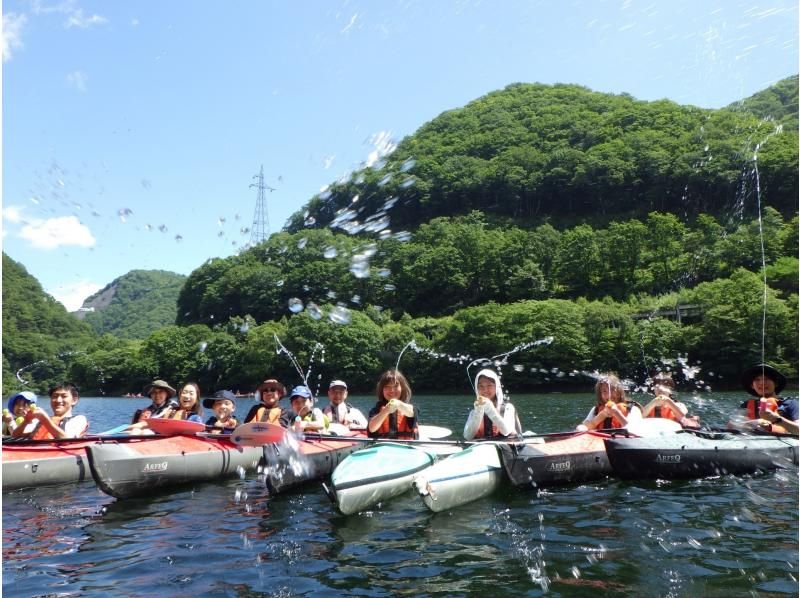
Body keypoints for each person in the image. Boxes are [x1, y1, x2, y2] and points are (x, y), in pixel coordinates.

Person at [729, 364, 799, 435]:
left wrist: (776, 419)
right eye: (757, 379)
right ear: (752, 386)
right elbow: (732, 426)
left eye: (767, 379)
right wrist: (750, 424)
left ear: (776, 383)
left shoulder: (790, 403)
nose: (762, 383)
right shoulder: (746, 405)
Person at [12, 382, 88, 440]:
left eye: (64, 396)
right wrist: (26, 421)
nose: (58, 400)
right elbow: (15, 436)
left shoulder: (79, 419)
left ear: (74, 400)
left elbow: (67, 440)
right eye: (54, 396)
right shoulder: (44, 421)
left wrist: (44, 419)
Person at [463, 369, 522, 440]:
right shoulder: (474, 412)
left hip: (506, 448)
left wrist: (489, 408)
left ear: (496, 387)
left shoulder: (508, 408)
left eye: (489, 385)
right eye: (480, 386)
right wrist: (478, 410)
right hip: (482, 447)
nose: (485, 390)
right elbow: (467, 436)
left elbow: (506, 431)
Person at [576, 373, 642, 431]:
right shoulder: (595, 410)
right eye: (604, 391)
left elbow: (633, 429)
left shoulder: (632, 409)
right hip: (600, 442)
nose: (609, 395)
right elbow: (585, 426)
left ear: (619, 392)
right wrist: (602, 415)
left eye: (613, 390)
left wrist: (616, 413)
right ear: (600, 394)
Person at [367, 369, 419, 439]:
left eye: (395, 386)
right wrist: (386, 410)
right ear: (382, 390)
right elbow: (372, 428)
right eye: (387, 387)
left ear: (402, 388)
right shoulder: (375, 409)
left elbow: (411, 413)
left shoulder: (410, 408)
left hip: (405, 447)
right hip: (382, 447)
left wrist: (399, 404)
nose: (392, 390)